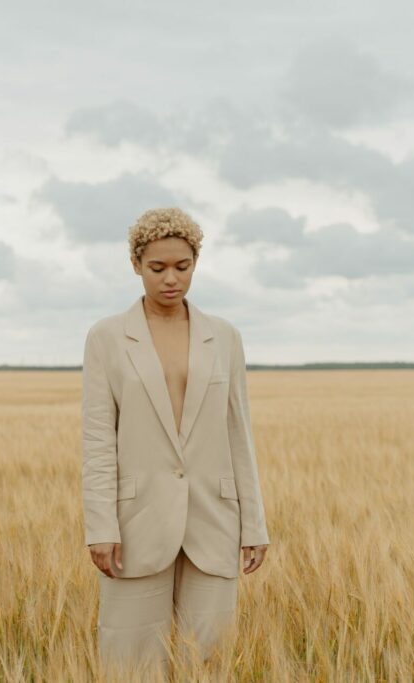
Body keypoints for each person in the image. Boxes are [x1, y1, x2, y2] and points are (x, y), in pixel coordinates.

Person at [80, 207, 270, 674]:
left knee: (208, 660)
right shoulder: (106, 337)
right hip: (134, 523)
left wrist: (254, 524)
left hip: (215, 519)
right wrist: (100, 524)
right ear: (135, 264)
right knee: (129, 662)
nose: (171, 279)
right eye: (157, 268)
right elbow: (98, 440)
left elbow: (238, 432)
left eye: (182, 268)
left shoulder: (224, 337)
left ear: (195, 264)